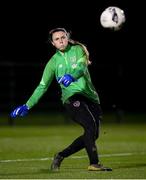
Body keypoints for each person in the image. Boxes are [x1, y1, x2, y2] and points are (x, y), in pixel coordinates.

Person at [10, 27, 112, 171]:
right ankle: (94, 163)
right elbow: (42, 86)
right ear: (53, 44)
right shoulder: (53, 63)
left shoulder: (78, 49)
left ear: (67, 37)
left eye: (63, 37)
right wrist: (27, 106)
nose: (61, 40)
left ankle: (60, 155)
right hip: (71, 98)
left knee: (93, 134)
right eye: (57, 39)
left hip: (91, 97)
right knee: (90, 126)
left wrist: (72, 76)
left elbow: (82, 67)